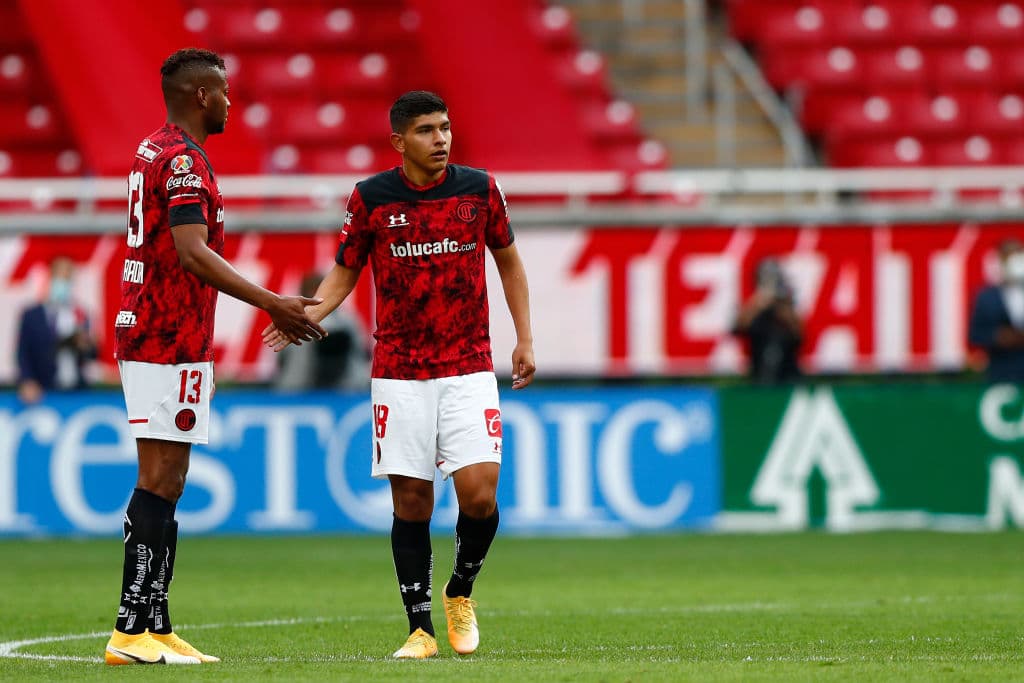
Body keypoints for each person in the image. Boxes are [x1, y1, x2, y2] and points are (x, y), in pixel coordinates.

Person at [263, 90, 535, 659]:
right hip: (400, 371)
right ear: (399, 141)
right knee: (412, 503)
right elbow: (343, 274)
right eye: (427, 130)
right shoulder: (371, 199)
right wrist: (305, 315)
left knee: (479, 493)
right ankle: (420, 630)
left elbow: (509, 262)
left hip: (468, 364)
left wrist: (525, 339)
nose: (440, 139)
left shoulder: (479, 189)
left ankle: (460, 591)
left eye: (445, 128)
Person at [104, 47, 326, 666]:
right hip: (162, 332)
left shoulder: (159, 148)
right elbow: (192, 252)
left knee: (169, 478)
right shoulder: (182, 160)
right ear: (202, 94)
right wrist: (271, 302)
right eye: (224, 91)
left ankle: (156, 624)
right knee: (159, 476)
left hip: (165, 330)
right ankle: (129, 630)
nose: (232, 102)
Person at [15, 256, 97, 404]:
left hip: (77, 392)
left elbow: (91, 355)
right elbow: (22, 353)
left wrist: (87, 345)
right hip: (43, 392)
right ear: (50, 278)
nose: (63, 283)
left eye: (67, 278)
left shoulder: (80, 314)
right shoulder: (32, 316)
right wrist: (27, 381)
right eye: (59, 277)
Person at [272, 271, 371, 391]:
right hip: (297, 390)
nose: (313, 294)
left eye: (317, 289)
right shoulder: (291, 320)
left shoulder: (347, 320)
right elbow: (279, 357)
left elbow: (362, 351)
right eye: (310, 289)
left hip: (345, 388)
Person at [733, 257, 803, 384]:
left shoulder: (785, 300)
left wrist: (781, 304)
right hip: (758, 372)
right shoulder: (755, 305)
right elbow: (738, 327)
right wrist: (760, 301)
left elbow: (799, 332)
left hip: (788, 375)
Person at [968, 238, 1024, 383]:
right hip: (1001, 372)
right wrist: (998, 336)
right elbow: (975, 334)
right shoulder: (986, 297)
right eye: (1008, 256)